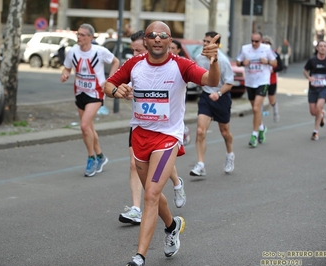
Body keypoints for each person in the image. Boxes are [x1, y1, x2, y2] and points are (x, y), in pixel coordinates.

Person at [105, 21, 220, 266]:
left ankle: (140, 256)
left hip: (167, 138)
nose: (157, 39)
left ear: (170, 41)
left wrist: (214, 61)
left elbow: (210, 80)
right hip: (140, 136)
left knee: (152, 194)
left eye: (163, 35)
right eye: (152, 35)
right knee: (152, 194)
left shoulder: (181, 65)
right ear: (145, 41)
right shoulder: (134, 64)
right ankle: (172, 226)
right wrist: (117, 91)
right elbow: (108, 85)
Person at [119, 30, 187, 226]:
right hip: (141, 124)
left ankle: (177, 183)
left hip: (165, 129)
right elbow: (116, 84)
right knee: (134, 164)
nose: (135, 55)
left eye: (138, 50)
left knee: (162, 161)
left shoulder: (169, 65)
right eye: (132, 50)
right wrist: (121, 90)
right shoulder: (135, 65)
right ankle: (136, 209)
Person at [60, 23, 120, 176]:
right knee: (89, 129)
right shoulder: (72, 51)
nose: (78, 37)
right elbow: (67, 67)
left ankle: (91, 158)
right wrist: (65, 74)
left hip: (96, 93)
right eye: (78, 34)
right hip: (80, 92)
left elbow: (115, 61)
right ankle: (101, 156)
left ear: (90, 37)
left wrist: (110, 80)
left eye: (82, 35)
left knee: (84, 126)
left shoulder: (99, 51)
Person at [190, 31, 235, 176]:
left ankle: (230, 155)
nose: (204, 44)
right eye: (204, 41)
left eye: (208, 41)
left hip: (222, 97)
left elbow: (229, 82)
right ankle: (201, 164)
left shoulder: (223, 60)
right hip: (206, 97)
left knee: (224, 132)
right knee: (200, 131)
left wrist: (219, 93)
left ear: (215, 44)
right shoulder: (199, 58)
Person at [236, 32, 277, 147]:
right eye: (252, 41)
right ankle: (261, 127)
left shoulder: (267, 48)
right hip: (250, 82)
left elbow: (275, 62)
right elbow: (237, 62)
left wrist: (267, 62)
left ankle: (254, 134)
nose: (254, 43)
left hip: (263, 81)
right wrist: (243, 63)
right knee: (256, 109)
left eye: (256, 41)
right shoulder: (245, 49)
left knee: (256, 108)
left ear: (261, 40)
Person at [303, 40, 326, 141]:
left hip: (323, 89)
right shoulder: (312, 60)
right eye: (320, 46)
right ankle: (322, 114)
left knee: (318, 108)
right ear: (317, 48)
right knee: (313, 112)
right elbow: (305, 70)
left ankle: (315, 132)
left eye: (324, 46)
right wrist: (308, 77)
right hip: (313, 89)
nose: (322, 48)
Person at [262, 36, 283, 122]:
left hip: (272, 80)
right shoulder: (259, 54)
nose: (266, 45)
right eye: (264, 43)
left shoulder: (275, 54)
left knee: (271, 100)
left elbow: (281, 67)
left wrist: (273, 70)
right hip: (261, 81)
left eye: (268, 43)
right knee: (260, 99)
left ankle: (275, 110)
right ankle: (260, 117)